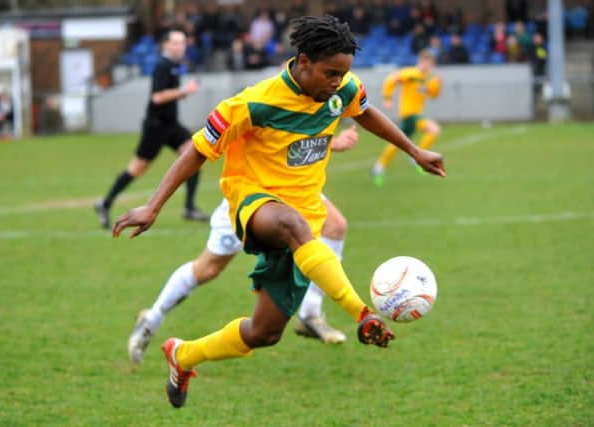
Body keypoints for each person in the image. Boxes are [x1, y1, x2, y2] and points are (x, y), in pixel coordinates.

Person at [113, 16, 445, 409]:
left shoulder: (341, 90)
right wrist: (153, 206)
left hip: (305, 220)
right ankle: (360, 312)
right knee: (290, 225)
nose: (337, 82)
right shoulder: (254, 102)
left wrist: (414, 150)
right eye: (330, 73)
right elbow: (198, 150)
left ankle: (182, 355)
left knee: (264, 333)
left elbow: (365, 110)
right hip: (254, 203)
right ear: (303, 62)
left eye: (343, 74)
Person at [127, 126, 361, 364]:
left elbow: (299, 135)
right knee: (208, 268)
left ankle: (310, 314)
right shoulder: (263, 100)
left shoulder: (315, 97)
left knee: (335, 226)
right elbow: (270, 141)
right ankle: (152, 318)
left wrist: (331, 142)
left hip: (293, 194)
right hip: (250, 198)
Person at [94, 30, 208, 229]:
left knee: (196, 154)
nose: (180, 47)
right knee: (137, 170)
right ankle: (105, 204)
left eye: (182, 43)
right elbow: (157, 98)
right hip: (156, 127)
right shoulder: (162, 66)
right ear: (165, 45)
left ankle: (189, 207)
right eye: (175, 43)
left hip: (171, 125)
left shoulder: (174, 66)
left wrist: (180, 93)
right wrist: (183, 92)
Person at [372, 49, 442, 186]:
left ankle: (379, 166)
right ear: (420, 61)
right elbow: (391, 80)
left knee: (398, 143)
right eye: (427, 63)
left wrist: (437, 86)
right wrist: (387, 98)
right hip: (409, 114)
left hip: (416, 115)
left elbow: (433, 95)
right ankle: (416, 158)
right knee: (433, 130)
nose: (428, 67)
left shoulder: (428, 78)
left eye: (431, 64)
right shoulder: (410, 73)